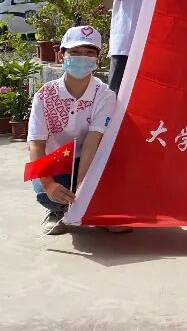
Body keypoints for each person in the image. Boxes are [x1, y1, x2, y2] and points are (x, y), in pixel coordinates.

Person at [27, 26, 120, 235]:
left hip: (90, 159)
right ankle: (57, 211)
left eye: (89, 53)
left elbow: (92, 143)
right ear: (61, 56)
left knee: (112, 178)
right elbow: (36, 145)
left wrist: (82, 190)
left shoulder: (105, 95)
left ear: (98, 59)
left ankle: (94, 210)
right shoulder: (44, 95)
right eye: (75, 52)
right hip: (57, 161)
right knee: (46, 192)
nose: (82, 58)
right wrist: (49, 185)